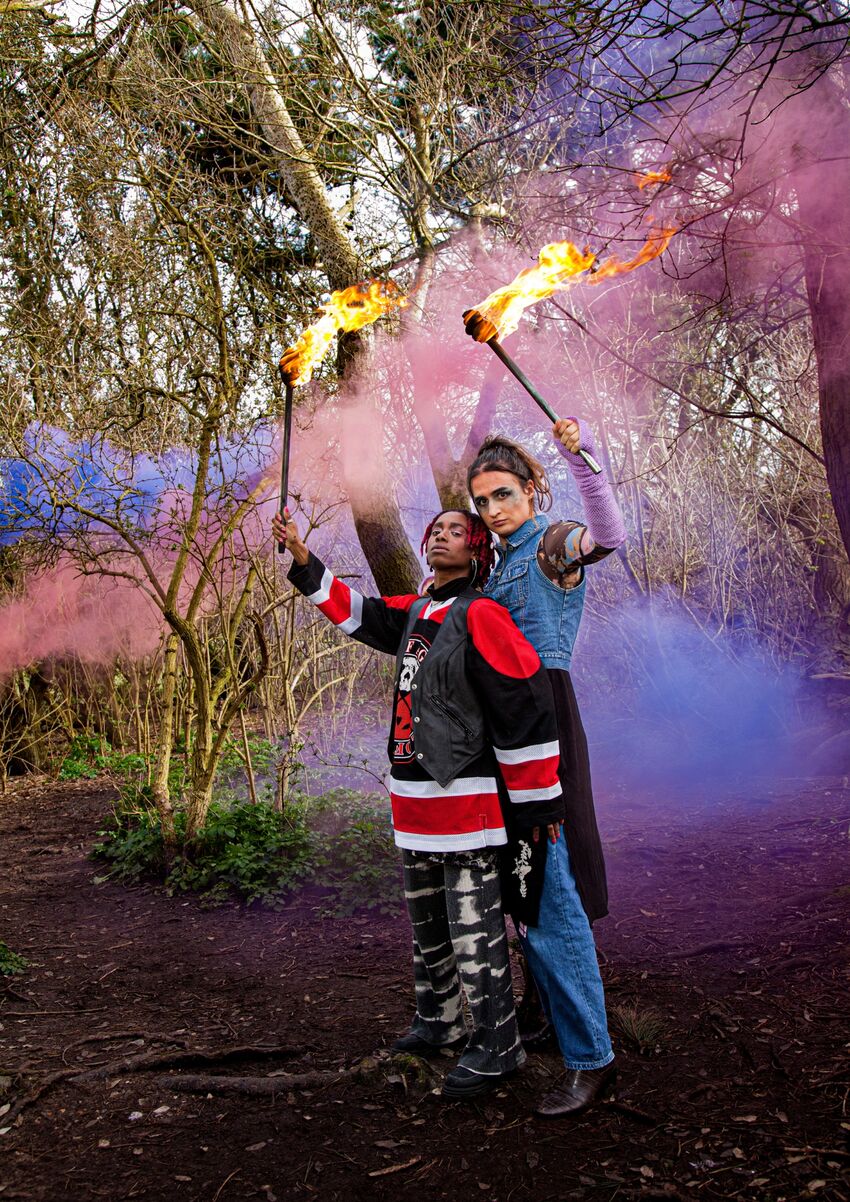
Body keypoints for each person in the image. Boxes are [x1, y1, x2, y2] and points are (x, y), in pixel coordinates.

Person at [271, 505, 566, 1100]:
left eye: (457, 531)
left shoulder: (481, 614)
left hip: (467, 800)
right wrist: (304, 559)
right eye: (436, 529)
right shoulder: (415, 611)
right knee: (427, 925)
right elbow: (357, 613)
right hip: (412, 800)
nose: (440, 536)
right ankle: (441, 1020)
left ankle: (497, 1044)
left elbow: (525, 702)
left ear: (478, 551)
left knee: (473, 930)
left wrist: (539, 804)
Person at [464, 315, 627, 1119]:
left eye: (502, 496)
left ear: (530, 491)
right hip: (500, 729)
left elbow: (609, 534)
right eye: (482, 501)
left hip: (547, 723)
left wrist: (580, 451)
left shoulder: (555, 541)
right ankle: (541, 1016)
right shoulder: (492, 568)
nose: (492, 510)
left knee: (552, 888)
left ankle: (591, 1054)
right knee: (517, 883)